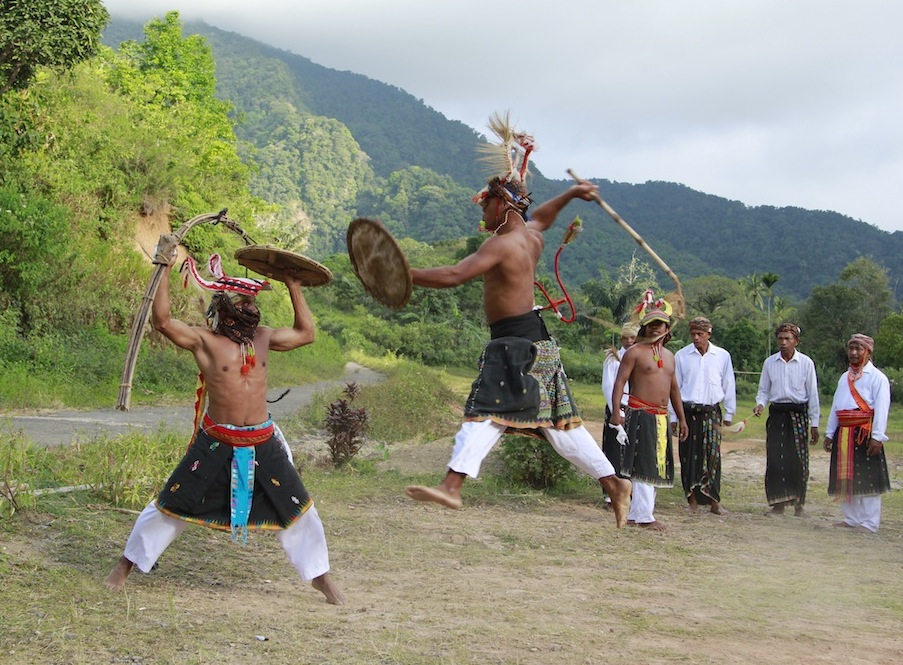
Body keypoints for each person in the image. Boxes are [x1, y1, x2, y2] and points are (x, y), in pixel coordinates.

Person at [403, 112, 632, 527]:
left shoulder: (503, 245)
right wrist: (570, 193)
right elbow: (543, 214)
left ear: (503, 203)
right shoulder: (531, 236)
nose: (482, 209)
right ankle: (614, 483)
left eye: (486, 201)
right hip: (532, 341)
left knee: (487, 411)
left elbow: (455, 275)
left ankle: (451, 487)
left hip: (514, 346)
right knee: (560, 427)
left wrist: (404, 275)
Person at [105, 238, 344, 604]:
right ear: (224, 306)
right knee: (170, 505)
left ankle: (321, 578)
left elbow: (306, 334)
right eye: (244, 301)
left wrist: (294, 286)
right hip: (216, 440)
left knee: (298, 507)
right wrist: (165, 267)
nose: (251, 307)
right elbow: (164, 321)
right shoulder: (206, 342)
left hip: (263, 440)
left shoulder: (263, 339)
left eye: (253, 301)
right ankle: (124, 567)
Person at [610, 292, 688, 531]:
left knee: (656, 464)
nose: (655, 328)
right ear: (644, 328)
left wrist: (681, 419)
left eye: (660, 324)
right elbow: (619, 383)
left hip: (662, 416)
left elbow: (674, 390)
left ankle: (638, 513)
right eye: (651, 324)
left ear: (667, 328)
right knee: (643, 464)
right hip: (640, 414)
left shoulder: (671, 357)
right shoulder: (634, 352)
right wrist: (616, 412)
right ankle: (645, 516)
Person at [824, 333, 891, 533]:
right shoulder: (844, 377)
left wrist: (877, 437)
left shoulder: (878, 378)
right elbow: (837, 406)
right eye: (851, 348)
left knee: (868, 477)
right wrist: (829, 433)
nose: (853, 353)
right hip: (843, 434)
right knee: (845, 477)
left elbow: (882, 408)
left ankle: (870, 523)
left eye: (858, 348)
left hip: (864, 434)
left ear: (868, 352)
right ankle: (852, 519)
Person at [753, 322, 820, 516]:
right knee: (776, 459)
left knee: (798, 460)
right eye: (780, 338)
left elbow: (813, 395)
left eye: (787, 339)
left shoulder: (806, 363)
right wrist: (760, 404)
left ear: (796, 341)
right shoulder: (769, 363)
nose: (783, 342)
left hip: (798, 416)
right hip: (776, 416)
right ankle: (778, 504)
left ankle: (799, 505)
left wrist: (814, 424)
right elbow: (764, 391)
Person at [672, 317, 736, 515]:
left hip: (711, 413)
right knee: (688, 457)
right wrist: (675, 418)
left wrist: (729, 413)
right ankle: (691, 501)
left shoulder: (722, 356)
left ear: (709, 333)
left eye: (700, 334)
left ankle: (714, 501)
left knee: (713, 457)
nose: (696, 338)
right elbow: (674, 389)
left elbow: (728, 384)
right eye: (693, 334)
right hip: (688, 414)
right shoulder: (681, 356)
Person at [600, 323, 637, 491]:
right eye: (625, 338)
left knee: (633, 451)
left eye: (632, 338)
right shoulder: (614, 358)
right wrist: (616, 410)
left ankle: (631, 490)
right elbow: (608, 386)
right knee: (614, 450)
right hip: (617, 406)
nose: (628, 341)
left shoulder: (640, 357)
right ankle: (612, 492)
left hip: (636, 409)